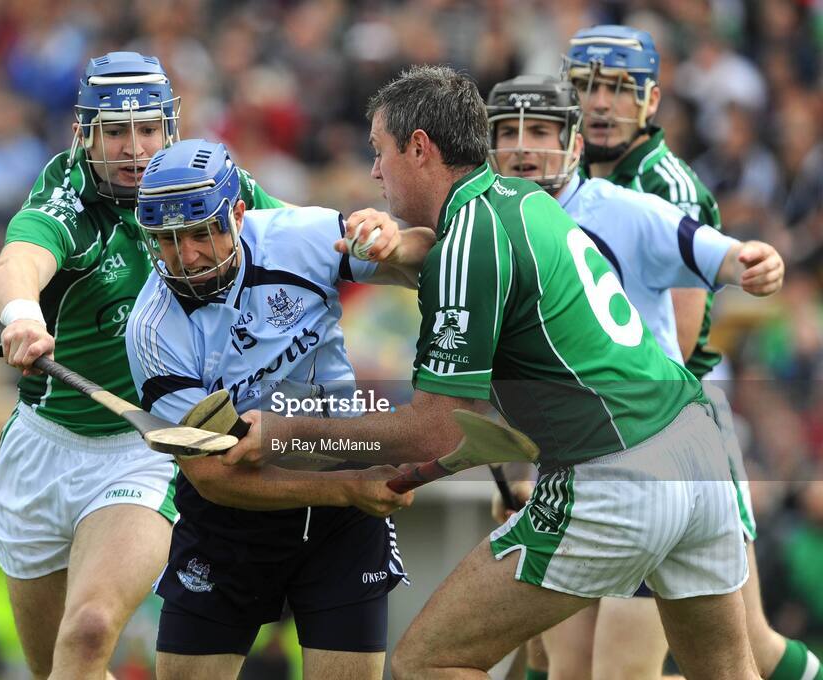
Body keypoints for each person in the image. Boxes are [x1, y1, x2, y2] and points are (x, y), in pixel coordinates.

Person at [224, 64, 759, 680]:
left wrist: (287, 434)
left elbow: (437, 431)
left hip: (618, 473)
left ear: (419, 147)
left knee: (430, 660)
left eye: (379, 152)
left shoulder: (469, 239)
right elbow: (504, 309)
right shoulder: (520, 198)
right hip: (697, 448)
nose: (374, 172)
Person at [0, 52, 284, 680]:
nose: (134, 148)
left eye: (147, 129)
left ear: (169, 129)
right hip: (41, 450)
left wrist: (378, 241)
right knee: (57, 669)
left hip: (142, 447)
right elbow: (19, 259)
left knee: (90, 629)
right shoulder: (68, 195)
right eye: (115, 132)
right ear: (85, 135)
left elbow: (297, 238)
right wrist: (21, 315)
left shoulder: (203, 179)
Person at [488, 73, 786, 680]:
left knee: (634, 671)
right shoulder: (484, 225)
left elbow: (721, 255)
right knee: (569, 669)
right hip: (575, 468)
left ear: (573, 145)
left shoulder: (625, 211)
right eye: (506, 132)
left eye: (540, 130)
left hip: (653, 461)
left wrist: (753, 262)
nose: (523, 147)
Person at [566, 25, 823, 680]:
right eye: (586, 86)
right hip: (619, 434)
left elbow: (675, 342)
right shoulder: (581, 179)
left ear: (652, 102)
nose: (601, 103)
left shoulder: (663, 184)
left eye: (620, 89)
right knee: (740, 649)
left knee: (632, 664)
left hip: (663, 434)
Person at [126, 138, 433, 679]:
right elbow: (213, 477)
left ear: (239, 215)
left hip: (341, 481)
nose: (188, 255)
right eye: (168, 239)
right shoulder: (152, 329)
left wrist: (395, 243)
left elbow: (427, 262)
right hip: (231, 518)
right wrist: (346, 490)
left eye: (202, 232)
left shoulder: (301, 237)